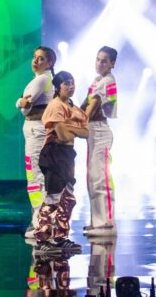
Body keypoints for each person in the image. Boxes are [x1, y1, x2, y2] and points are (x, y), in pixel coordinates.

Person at [34, 71, 89, 255]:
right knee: (53, 198)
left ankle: (60, 237)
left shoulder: (72, 107)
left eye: (72, 83)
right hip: (54, 153)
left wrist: (69, 126)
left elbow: (86, 132)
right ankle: (42, 240)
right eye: (66, 83)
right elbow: (63, 135)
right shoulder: (56, 106)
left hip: (67, 155)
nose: (71, 86)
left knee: (68, 198)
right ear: (58, 87)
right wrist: (75, 128)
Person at [17, 46, 57, 239]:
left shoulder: (42, 79)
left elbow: (25, 107)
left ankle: (41, 223)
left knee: (36, 177)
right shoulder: (41, 79)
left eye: (41, 58)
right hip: (34, 131)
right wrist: (21, 102)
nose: (35, 61)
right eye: (34, 57)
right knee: (36, 177)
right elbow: (24, 104)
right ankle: (40, 220)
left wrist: (19, 102)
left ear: (49, 63)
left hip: (37, 131)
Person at [82, 46, 119, 237]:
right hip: (92, 131)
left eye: (104, 60)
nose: (99, 63)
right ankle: (97, 221)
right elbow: (84, 104)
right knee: (92, 177)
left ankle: (106, 223)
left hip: (99, 130)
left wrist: (79, 121)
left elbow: (93, 104)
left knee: (101, 178)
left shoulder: (107, 80)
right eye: (98, 59)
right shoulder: (97, 80)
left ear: (112, 63)